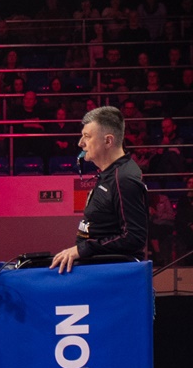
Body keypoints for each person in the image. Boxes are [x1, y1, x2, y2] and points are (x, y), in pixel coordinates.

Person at [51, 105, 148, 272]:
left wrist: (84, 249)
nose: (81, 143)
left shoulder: (124, 179)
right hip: (96, 270)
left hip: (110, 275)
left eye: (87, 136)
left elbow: (133, 238)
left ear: (108, 141)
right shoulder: (110, 174)